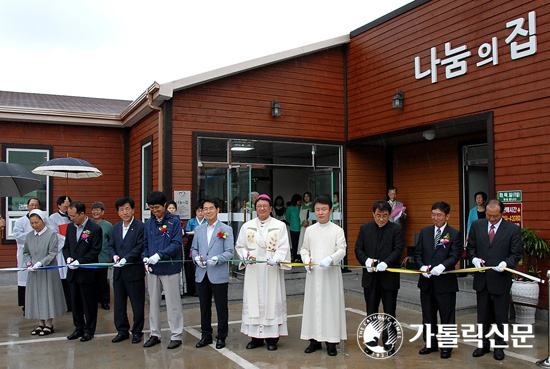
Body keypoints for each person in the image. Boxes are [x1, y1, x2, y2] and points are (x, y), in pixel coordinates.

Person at [467, 199, 522, 361]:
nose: (491, 219)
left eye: (495, 216)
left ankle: (499, 346)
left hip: (500, 278)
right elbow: (470, 248)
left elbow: (516, 254)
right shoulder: (477, 225)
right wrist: (475, 259)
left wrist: (506, 264)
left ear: (501, 213)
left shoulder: (512, 229)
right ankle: (482, 344)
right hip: (482, 278)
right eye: (489, 215)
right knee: (482, 314)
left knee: (500, 315)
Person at [235, 194, 291, 351]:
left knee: (271, 301)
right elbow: (240, 246)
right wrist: (246, 256)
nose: (262, 208)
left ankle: (272, 338)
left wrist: (277, 258)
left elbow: (283, 247)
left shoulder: (279, 226)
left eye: (265, 206)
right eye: (259, 206)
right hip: (254, 270)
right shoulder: (247, 226)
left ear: (270, 208)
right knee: (254, 302)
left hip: (271, 270)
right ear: (255, 208)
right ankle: (255, 338)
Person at [354, 200, 404, 354]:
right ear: (373, 214)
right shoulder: (365, 228)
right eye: (378, 215)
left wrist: (386, 263)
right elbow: (358, 249)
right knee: (371, 311)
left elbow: (398, 249)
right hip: (370, 277)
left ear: (389, 215)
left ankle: (390, 343)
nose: (381, 219)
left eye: (384, 215)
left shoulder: (396, 229)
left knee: (390, 311)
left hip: (389, 277)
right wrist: (366, 261)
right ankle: (371, 342)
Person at [413, 201, 462, 359]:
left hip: (445, 283)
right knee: (428, 315)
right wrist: (421, 266)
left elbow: (455, 255)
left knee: (447, 316)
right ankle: (430, 343)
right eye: (433, 214)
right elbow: (418, 252)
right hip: (427, 282)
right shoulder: (425, 232)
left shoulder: (454, 234)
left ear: (447, 216)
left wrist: (442, 266)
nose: (435, 218)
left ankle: (446, 347)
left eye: (439, 215)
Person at [300, 196, 347, 357]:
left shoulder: (337, 230)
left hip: (330, 275)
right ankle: (314, 340)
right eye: (318, 210)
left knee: (330, 306)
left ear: (330, 211)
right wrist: (306, 259)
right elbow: (304, 248)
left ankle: (331, 342)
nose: (321, 213)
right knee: (313, 306)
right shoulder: (310, 230)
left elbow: (342, 249)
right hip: (313, 275)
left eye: (324, 209)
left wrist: (331, 259)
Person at [141, 191, 184, 350]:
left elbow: (176, 244)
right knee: (153, 303)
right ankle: (155, 333)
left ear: (164, 205)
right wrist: (145, 257)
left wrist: (160, 255)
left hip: (170, 268)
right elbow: (145, 243)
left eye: (157, 207)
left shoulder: (174, 222)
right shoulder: (149, 223)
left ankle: (176, 334)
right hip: (153, 270)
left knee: (173, 303)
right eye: (152, 208)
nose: (155, 210)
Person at [191, 198, 234, 350]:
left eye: (211, 208)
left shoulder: (225, 229)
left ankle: (221, 336)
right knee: (204, 306)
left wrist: (218, 258)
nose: (208, 211)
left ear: (218, 210)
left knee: (221, 307)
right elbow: (194, 249)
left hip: (218, 273)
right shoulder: (199, 229)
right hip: (202, 273)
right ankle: (206, 335)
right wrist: (196, 258)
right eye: (205, 209)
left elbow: (230, 252)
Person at [63, 201, 103, 342]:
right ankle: (78, 328)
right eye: (69, 216)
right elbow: (66, 246)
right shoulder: (70, 228)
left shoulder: (94, 228)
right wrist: (68, 259)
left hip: (87, 272)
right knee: (75, 302)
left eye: (73, 216)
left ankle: (89, 330)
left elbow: (95, 250)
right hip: (73, 273)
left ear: (82, 214)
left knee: (89, 303)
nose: (71, 218)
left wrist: (80, 262)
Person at [23, 209, 67, 336]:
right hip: (34, 272)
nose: (34, 225)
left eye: (36, 222)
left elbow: (52, 253)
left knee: (47, 296)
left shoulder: (51, 234)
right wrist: (29, 262)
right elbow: (25, 252)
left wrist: (40, 263)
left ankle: (49, 323)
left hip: (47, 270)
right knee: (36, 296)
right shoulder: (29, 236)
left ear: (43, 221)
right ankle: (40, 322)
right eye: (32, 223)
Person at [108, 197, 146, 344]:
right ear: (118, 212)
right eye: (121, 210)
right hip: (118, 272)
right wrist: (115, 256)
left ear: (133, 210)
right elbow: (110, 245)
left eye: (127, 209)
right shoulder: (116, 227)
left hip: (133, 271)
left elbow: (139, 246)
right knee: (119, 304)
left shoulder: (140, 227)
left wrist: (127, 258)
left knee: (137, 304)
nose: (125, 212)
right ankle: (122, 330)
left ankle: (137, 331)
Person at [13, 197, 41, 313]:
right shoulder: (21, 221)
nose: (33, 207)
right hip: (25, 254)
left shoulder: (42, 221)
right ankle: (26, 306)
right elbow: (18, 236)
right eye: (31, 205)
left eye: (36, 205)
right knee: (25, 280)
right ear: (28, 207)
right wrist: (32, 235)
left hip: (38, 255)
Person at [49, 195, 72, 310]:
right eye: (64, 204)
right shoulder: (53, 218)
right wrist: (67, 240)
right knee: (61, 277)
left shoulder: (72, 217)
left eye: (68, 204)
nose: (67, 206)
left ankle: (71, 302)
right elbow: (54, 234)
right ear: (59, 205)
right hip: (60, 250)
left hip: (71, 251)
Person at [91, 201, 113, 311]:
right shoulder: (88, 223)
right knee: (91, 281)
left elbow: (111, 242)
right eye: (93, 210)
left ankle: (105, 301)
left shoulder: (108, 226)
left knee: (103, 281)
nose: (95, 212)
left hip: (103, 258)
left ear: (103, 212)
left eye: (98, 209)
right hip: (90, 259)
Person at [184, 203, 206, 296]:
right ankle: (192, 290)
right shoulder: (191, 221)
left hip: (204, 244)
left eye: (202, 211)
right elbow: (187, 232)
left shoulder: (206, 221)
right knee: (191, 267)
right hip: (192, 242)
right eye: (198, 211)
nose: (200, 213)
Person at [285, 194, 302, 262]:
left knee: (300, 243)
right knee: (294, 244)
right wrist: (292, 223)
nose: (300, 201)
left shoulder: (301, 208)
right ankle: (294, 256)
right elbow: (287, 218)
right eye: (298, 200)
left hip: (301, 228)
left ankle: (300, 257)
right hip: (293, 229)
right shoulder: (290, 208)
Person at [297, 191, 312, 260]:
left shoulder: (312, 205)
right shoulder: (302, 206)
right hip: (303, 226)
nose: (306, 198)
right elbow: (300, 215)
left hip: (310, 226)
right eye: (305, 197)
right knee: (303, 240)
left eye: (307, 196)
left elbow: (312, 215)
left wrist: (308, 222)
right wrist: (303, 222)